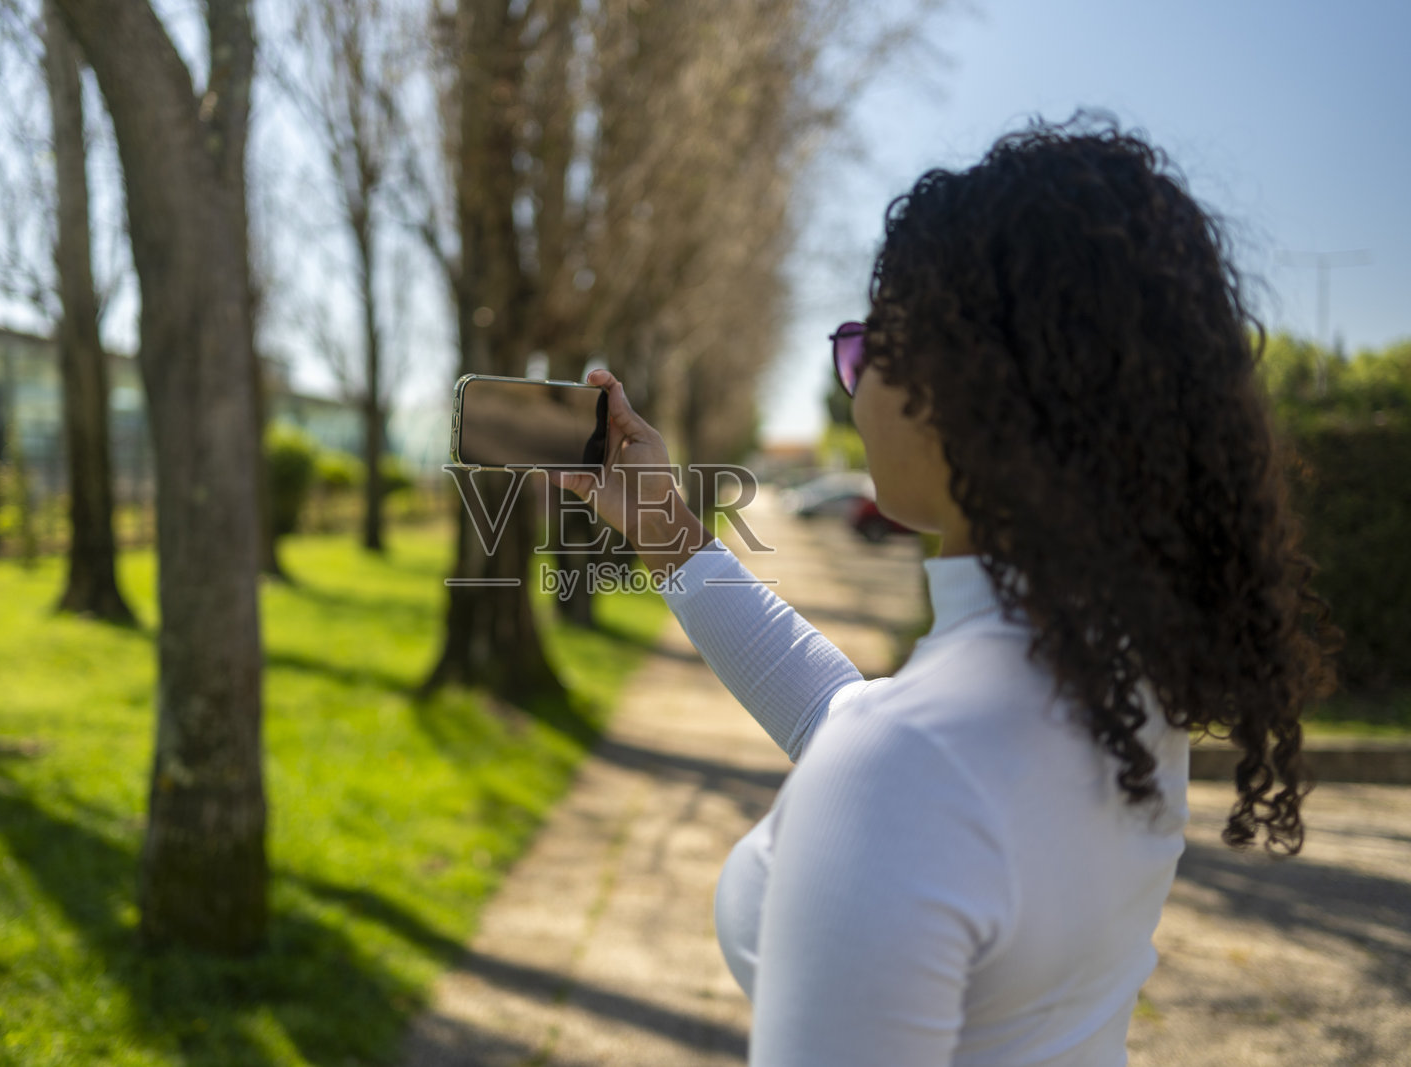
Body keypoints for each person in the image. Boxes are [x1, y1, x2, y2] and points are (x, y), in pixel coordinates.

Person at [548, 114, 1337, 1065]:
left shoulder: (906, 772)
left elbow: (894, 759)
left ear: (965, 380)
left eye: (864, 346)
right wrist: (670, 535)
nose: (852, 384)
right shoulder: (1120, 685)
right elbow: (849, 715)